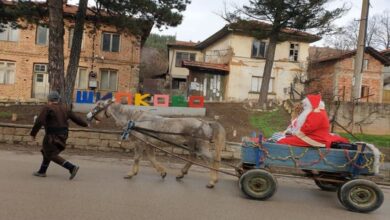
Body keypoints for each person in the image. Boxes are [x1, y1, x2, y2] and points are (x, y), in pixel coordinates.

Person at [30, 91, 88, 179]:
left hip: (51, 136)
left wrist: (33, 133)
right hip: (63, 135)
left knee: (50, 154)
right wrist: (86, 124)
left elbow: (39, 121)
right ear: (58, 99)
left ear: (49, 99)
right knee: (46, 151)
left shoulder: (48, 107)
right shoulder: (65, 108)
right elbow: (76, 119)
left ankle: (71, 167)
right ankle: (42, 171)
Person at [276, 94, 348, 148]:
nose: (304, 107)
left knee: (282, 141)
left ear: (310, 105)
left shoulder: (316, 113)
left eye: (306, 106)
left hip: (314, 139)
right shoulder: (320, 111)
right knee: (287, 138)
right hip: (314, 137)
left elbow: (307, 128)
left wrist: (296, 135)